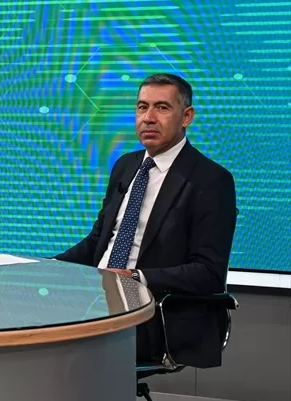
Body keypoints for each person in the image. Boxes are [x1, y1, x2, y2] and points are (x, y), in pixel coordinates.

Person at [56, 73, 237, 367]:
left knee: (62, 347)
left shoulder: (211, 180)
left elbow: (208, 272)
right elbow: (98, 242)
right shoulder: (126, 165)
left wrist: (134, 277)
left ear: (186, 116)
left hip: (153, 309)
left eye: (162, 108)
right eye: (142, 107)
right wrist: (48, 266)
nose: (149, 118)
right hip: (98, 295)